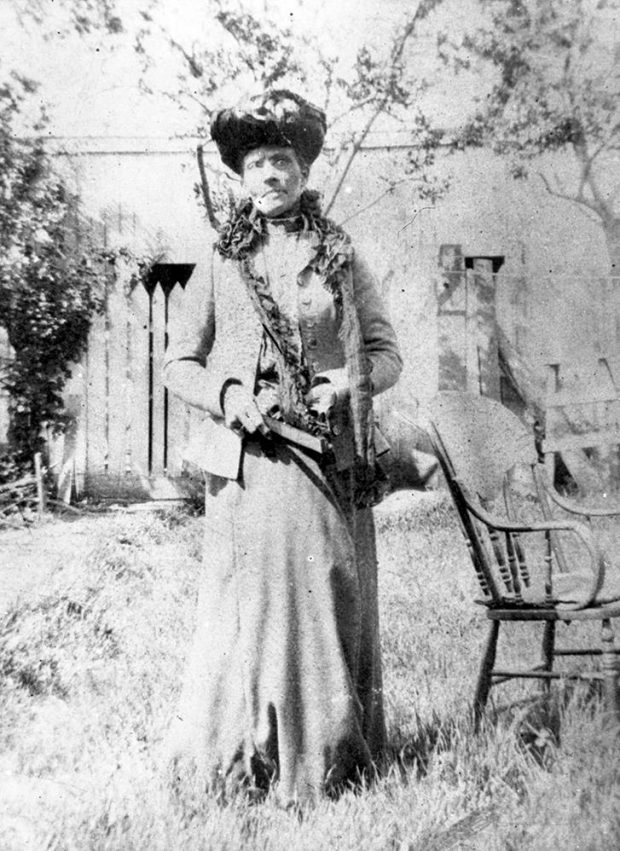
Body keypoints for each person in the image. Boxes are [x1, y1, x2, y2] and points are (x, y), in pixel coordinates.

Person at [163, 89, 402, 807]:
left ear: (304, 171)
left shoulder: (339, 254)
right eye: (260, 162)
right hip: (248, 469)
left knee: (329, 598)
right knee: (251, 614)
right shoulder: (219, 257)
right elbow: (179, 363)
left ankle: (328, 762)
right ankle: (243, 765)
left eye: (285, 161)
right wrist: (230, 396)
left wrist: (347, 380)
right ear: (241, 175)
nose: (273, 175)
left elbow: (388, 353)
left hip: (325, 462)